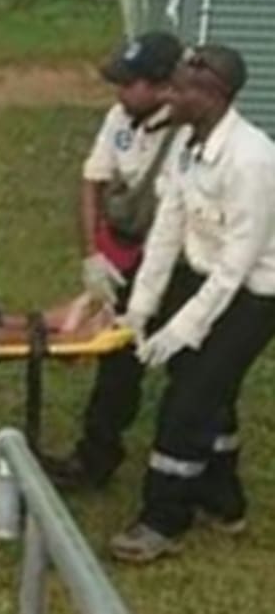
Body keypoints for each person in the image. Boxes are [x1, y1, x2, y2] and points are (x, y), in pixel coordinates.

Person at [109, 45, 275, 563]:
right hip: (205, 273)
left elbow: (237, 267)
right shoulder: (186, 141)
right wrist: (142, 308)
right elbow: (167, 229)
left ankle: (163, 519)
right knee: (209, 391)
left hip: (255, 291)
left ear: (210, 96)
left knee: (187, 402)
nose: (169, 96)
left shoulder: (252, 160)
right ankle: (222, 500)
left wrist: (185, 328)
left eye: (179, 89)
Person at [44, 31, 185, 490]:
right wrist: (93, 257)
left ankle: (206, 480)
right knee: (117, 359)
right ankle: (95, 458)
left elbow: (176, 223)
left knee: (190, 373)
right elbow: (93, 182)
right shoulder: (119, 118)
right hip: (129, 254)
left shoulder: (189, 134)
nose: (120, 93)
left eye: (131, 83)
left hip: (183, 265)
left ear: (164, 86)